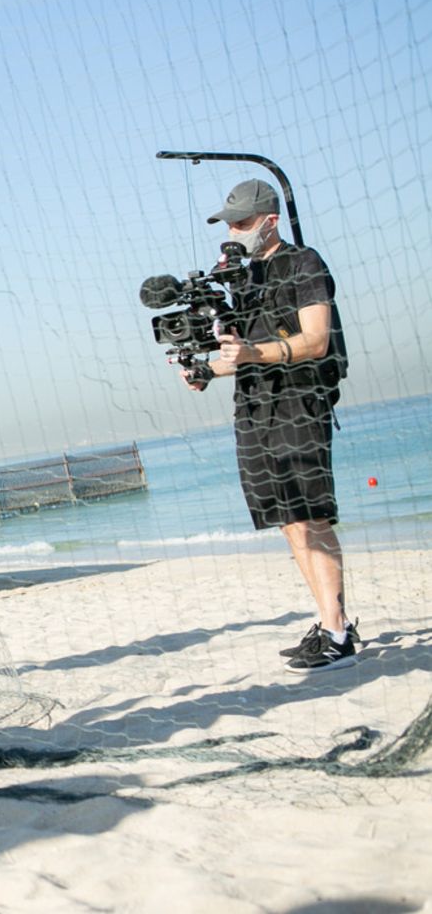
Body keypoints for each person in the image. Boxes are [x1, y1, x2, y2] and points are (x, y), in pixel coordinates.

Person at [181, 178, 357, 674]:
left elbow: (317, 339)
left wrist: (258, 353)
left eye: (241, 223)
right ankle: (330, 621)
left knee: (310, 515)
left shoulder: (304, 263)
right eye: (228, 225)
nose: (234, 232)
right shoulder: (240, 279)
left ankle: (339, 635)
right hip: (255, 404)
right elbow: (239, 353)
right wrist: (205, 372)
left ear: (270, 221)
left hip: (302, 399)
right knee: (286, 520)